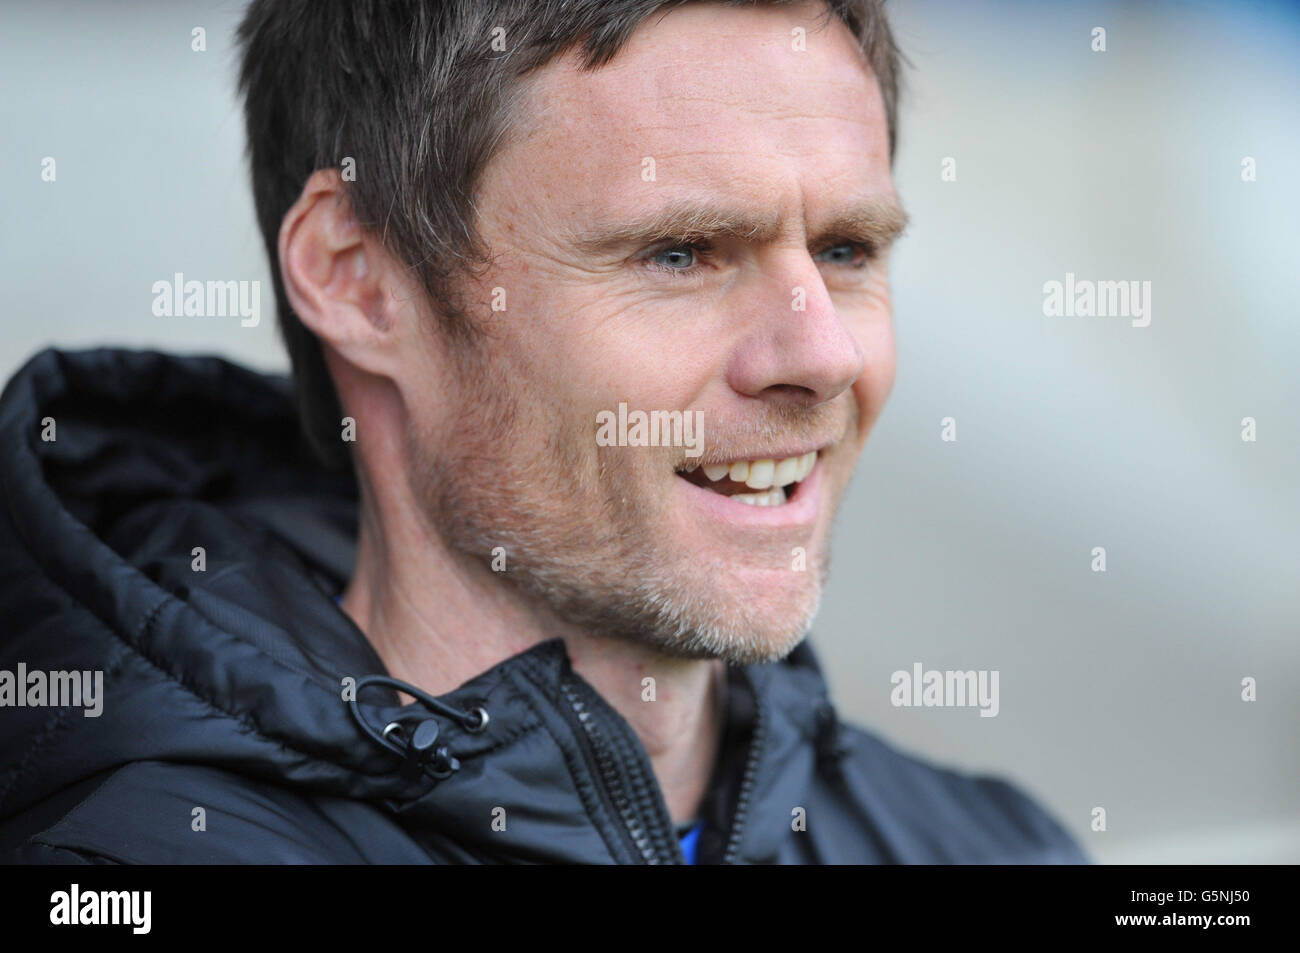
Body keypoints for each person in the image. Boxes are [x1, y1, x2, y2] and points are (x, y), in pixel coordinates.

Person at [0, 0, 1086, 864]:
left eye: (846, 250)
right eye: (681, 252)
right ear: (359, 281)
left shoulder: (998, 847)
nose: (821, 357)